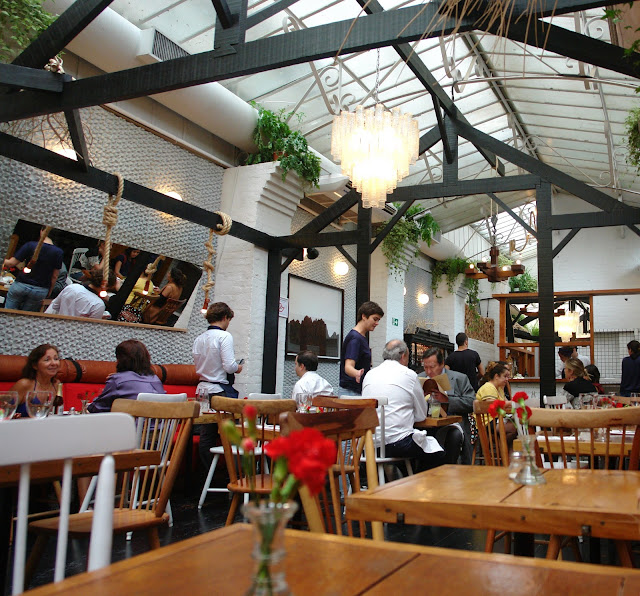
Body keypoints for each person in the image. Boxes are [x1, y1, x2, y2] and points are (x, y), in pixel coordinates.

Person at [362, 340, 445, 471]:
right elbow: (421, 416)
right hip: (398, 444)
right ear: (403, 356)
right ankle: (416, 481)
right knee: (437, 454)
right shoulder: (409, 374)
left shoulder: (369, 374)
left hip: (369, 444)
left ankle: (400, 477)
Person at [193, 302, 243, 467]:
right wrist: (238, 367)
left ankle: (207, 473)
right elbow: (229, 366)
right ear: (225, 317)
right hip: (219, 390)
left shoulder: (199, 338)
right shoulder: (224, 336)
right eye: (229, 320)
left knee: (207, 434)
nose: (228, 323)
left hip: (202, 389)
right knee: (232, 433)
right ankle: (235, 474)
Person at [421, 347, 475, 465]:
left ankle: (447, 468)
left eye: (432, 367)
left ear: (442, 364)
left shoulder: (459, 378)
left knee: (454, 436)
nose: (428, 372)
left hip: (452, 424)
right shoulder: (419, 378)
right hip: (425, 423)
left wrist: (447, 400)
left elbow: (471, 402)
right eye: (425, 367)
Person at [88, 340, 164, 413]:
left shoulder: (118, 380)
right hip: (159, 422)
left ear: (121, 360)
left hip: (130, 422)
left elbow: (96, 408)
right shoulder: (156, 379)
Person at [4, 227, 63, 312]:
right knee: (26, 316)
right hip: (40, 290)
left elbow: (10, 263)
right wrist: (49, 291)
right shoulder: (58, 252)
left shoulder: (30, 245)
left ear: (42, 231)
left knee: (8, 312)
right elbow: (55, 276)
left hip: (20, 285)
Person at [338, 301, 384, 396]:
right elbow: (348, 367)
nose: (377, 323)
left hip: (355, 391)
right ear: (364, 316)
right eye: (375, 319)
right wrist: (357, 373)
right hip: (351, 392)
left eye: (378, 320)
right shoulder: (355, 338)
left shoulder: (360, 337)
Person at [10, 344, 61, 417]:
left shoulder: (56, 384)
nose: (54, 363)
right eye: (47, 360)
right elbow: (3, 410)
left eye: (56, 359)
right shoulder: (24, 384)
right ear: (35, 365)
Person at [45, 269, 117, 319]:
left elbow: (55, 306)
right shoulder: (98, 304)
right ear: (106, 286)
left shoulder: (72, 287)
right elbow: (91, 326)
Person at [476, 363, 517, 446]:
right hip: (487, 421)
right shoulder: (488, 387)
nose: (507, 379)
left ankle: (504, 449)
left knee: (519, 425)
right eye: (505, 376)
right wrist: (512, 403)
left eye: (508, 377)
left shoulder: (499, 388)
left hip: (497, 419)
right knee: (514, 428)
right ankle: (502, 449)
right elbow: (492, 405)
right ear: (496, 376)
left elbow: (507, 404)